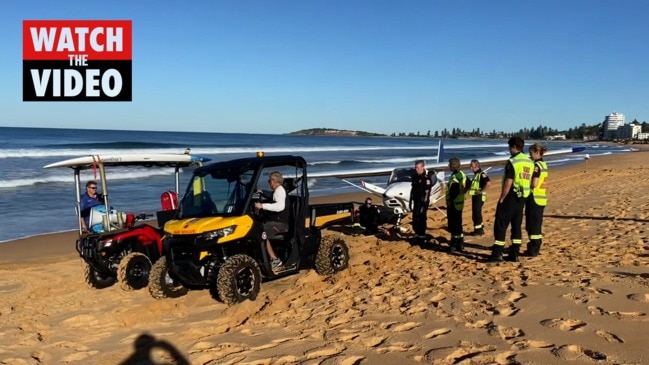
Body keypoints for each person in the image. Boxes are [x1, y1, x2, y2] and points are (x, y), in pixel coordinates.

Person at [488, 136, 534, 262]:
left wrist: (502, 197)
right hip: (523, 196)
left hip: (512, 195)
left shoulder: (513, 161)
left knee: (501, 224)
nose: (509, 150)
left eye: (509, 147)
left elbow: (508, 181)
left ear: (513, 147)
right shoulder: (529, 161)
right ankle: (515, 252)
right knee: (516, 225)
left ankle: (497, 253)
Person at [254, 171, 289, 270]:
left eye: (270, 181)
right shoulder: (277, 191)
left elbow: (280, 206)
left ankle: (275, 259)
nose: (269, 183)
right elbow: (272, 195)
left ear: (274, 181)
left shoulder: (280, 190)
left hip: (281, 225)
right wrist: (261, 192)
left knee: (260, 232)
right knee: (259, 228)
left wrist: (262, 206)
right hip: (277, 222)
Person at [524, 143, 548, 256]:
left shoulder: (537, 166)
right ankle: (536, 246)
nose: (530, 155)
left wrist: (526, 184)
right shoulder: (544, 164)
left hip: (534, 197)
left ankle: (533, 248)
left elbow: (534, 183)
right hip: (542, 197)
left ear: (537, 152)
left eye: (531, 153)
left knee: (532, 225)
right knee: (537, 224)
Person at [446, 157, 467, 252]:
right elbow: (468, 184)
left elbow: (454, 190)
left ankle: (454, 243)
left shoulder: (455, 176)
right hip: (460, 202)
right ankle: (460, 242)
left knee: (454, 224)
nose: (448, 166)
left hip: (454, 203)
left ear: (453, 165)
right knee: (458, 223)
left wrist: (450, 200)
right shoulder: (462, 174)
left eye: (449, 164)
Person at [409, 160, 433, 243]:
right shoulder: (415, 177)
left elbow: (427, 192)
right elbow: (413, 189)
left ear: (422, 167)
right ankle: (417, 234)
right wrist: (410, 200)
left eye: (418, 168)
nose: (416, 169)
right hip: (416, 201)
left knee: (421, 218)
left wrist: (425, 204)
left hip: (423, 202)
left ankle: (422, 236)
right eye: (415, 167)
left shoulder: (426, 178)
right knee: (415, 218)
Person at [467, 159, 491, 236]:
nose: (471, 168)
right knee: (477, 213)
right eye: (470, 166)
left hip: (479, 197)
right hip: (476, 196)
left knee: (476, 214)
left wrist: (481, 191)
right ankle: (480, 228)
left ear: (477, 166)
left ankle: (478, 230)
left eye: (472, 166)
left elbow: (488, 183)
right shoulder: (476, 174)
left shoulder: (482, 174)